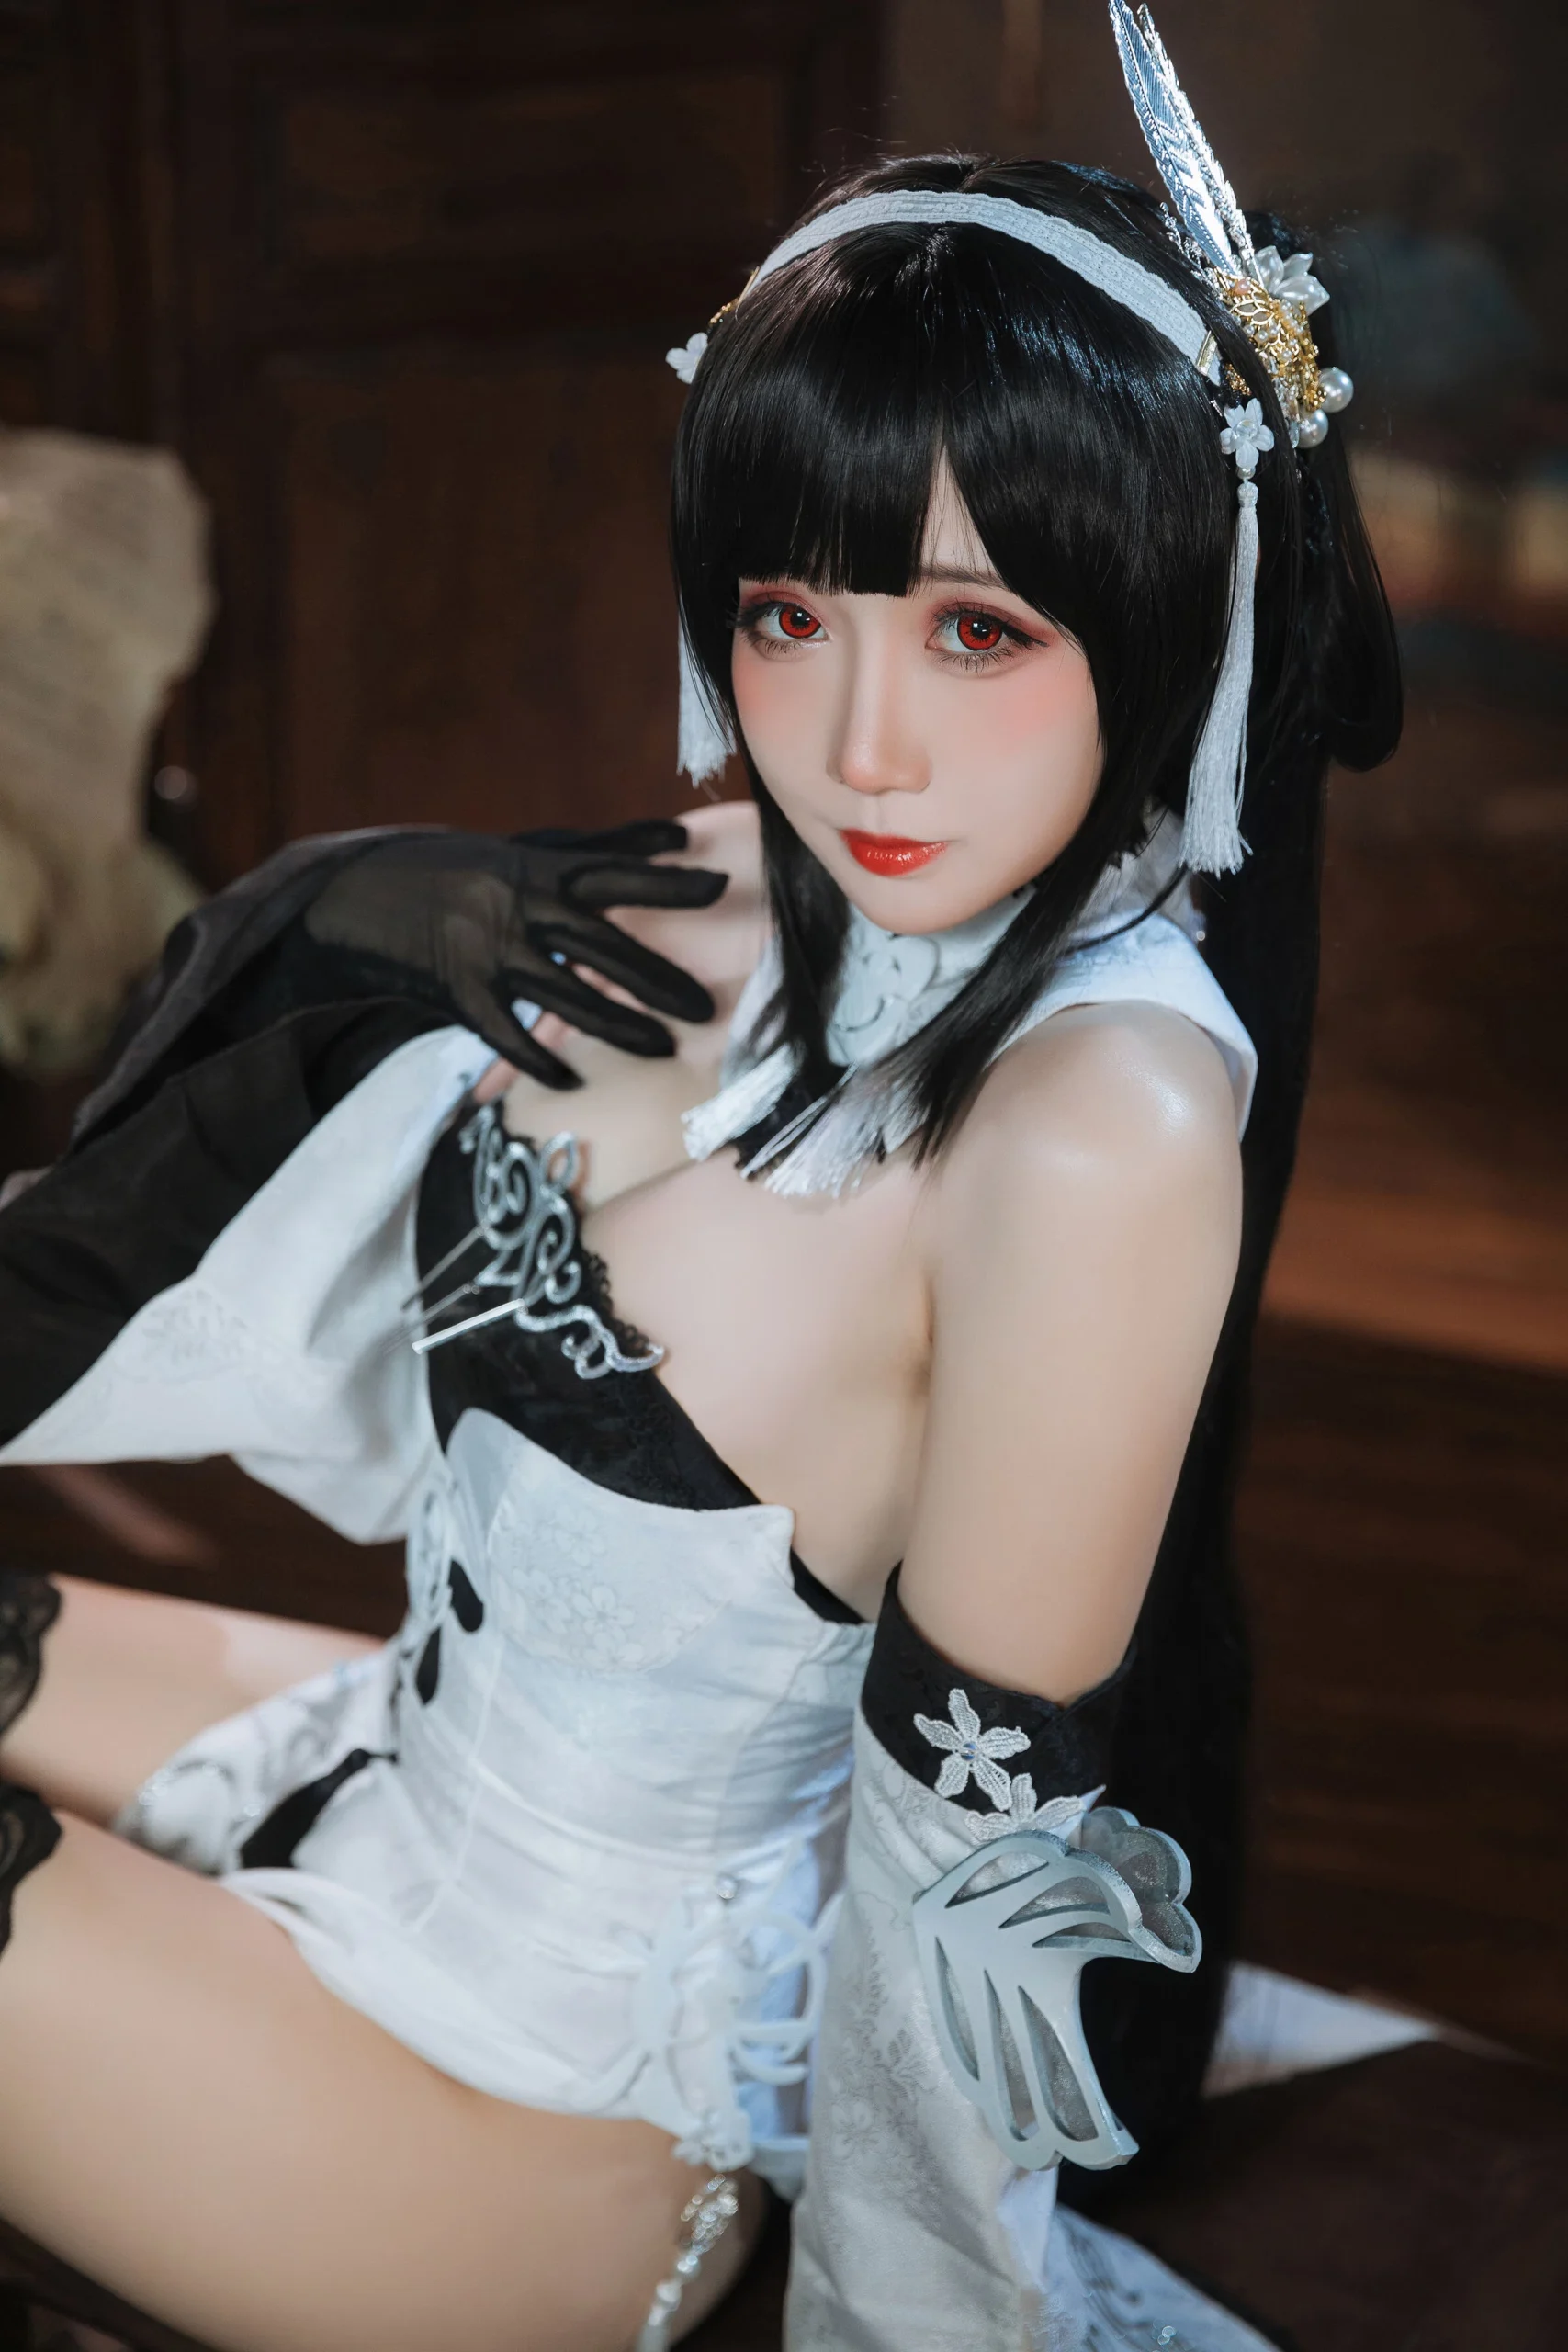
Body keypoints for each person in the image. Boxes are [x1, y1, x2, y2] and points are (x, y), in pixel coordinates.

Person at [0, 9, 1399, 2347]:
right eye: (788, 611)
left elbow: (964, 1866)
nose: (860, 741)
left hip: (529, 2142)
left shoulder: (1104, 1127)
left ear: (1164, 621)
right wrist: (325, 922)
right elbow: (82, 1303)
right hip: (405, 1774)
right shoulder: (725, 884)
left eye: (978, 629)